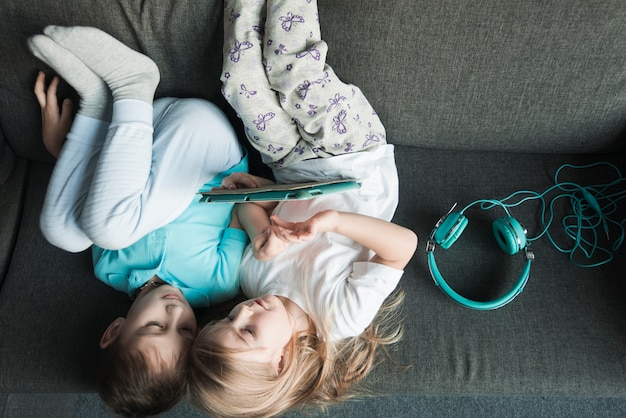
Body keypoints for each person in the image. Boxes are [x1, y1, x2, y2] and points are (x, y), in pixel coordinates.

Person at [188, 1, 418, 417]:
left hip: (292, 165)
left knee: (238, 82)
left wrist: (260, 225)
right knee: (292, 71)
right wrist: (333, 221)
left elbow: (251, 210)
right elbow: (402, 246)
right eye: (247, 332)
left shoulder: (253, 279)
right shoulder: (340, 317)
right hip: (356, 158)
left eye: (225, 321)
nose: (241, 314)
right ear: (281, 361)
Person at [28, 26, 249, 416]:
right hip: (201, 143)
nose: (175, 312)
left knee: (63, 233)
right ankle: (133, 82)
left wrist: (62, 150)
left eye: (154, 327)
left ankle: (97, 104)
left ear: (115, 331)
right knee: (108, 230)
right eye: (186, 331)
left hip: (137, 127)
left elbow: (108, 188)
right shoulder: (218, 283)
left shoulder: (107, 269)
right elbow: (242, 205)